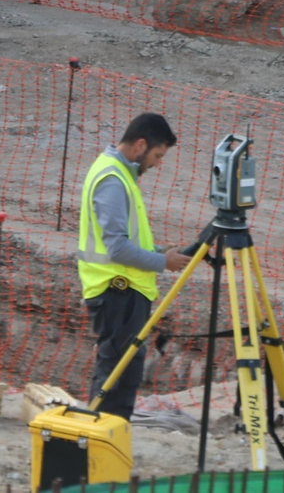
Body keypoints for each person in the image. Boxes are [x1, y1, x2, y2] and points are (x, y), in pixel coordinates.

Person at [76, 112, 194, 419]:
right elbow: (116, 247)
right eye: (157, 155)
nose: (157, 163)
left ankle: (109, 439)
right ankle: (102, 442)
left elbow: (123, 237)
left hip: (124, 292)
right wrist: (161, 262)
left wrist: (157, 250)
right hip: (118, 292)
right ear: (140, 145)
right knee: (117, 376)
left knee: (121, 372)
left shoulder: (117, 173)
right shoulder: (113, 180)